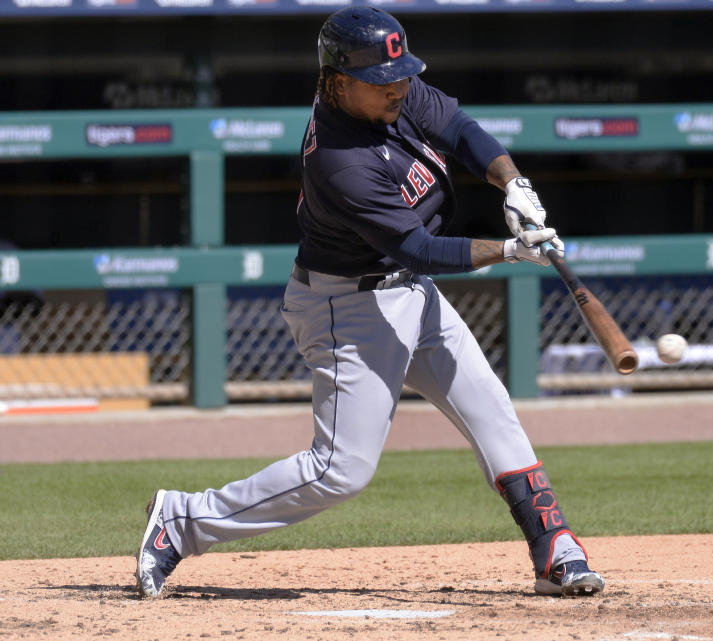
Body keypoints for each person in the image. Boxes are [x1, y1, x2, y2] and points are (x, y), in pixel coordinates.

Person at [136, 6, 604, 600]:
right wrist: (511, 248)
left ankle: (554, 546)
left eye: (402, 76)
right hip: (346, 308)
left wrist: (513, 184)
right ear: (336, 81)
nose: (399, 88)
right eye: (383, 81)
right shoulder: (339, 162)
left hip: (408, 290)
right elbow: (420, 247)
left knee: (491, 410)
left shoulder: (389, 89)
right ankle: (180, 521)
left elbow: (458, 127)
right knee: (340, 472)